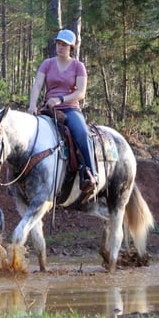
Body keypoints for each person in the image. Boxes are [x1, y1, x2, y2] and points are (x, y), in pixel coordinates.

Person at [27, 29, 97, 195]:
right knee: (28, 135)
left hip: (70, 108)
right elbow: (37, 85)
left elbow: (81, 92)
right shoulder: (47, 64)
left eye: (64, 45)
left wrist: (61, 99)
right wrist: (32, 105)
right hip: (48, 109)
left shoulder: (78, 66)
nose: (60, 47)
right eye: (58, 43)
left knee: (82, 133)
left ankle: (89, 173)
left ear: (71, 47)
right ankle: (20, 176)